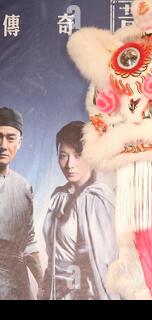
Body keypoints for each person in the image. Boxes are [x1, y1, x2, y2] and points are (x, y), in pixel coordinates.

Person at [42, 121, 118, 300]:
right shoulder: (58, 196)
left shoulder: (97, 198)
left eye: (78, 155)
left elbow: (104, 263)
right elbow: (53, 254)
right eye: (63, 156)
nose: (69, 164)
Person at [0, 106, 43, 300]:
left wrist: (43, 283)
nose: (3, 145)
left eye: (10, 138)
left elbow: (28, 241)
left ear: (20, 142)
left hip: (17, 281)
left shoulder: (23, 186)